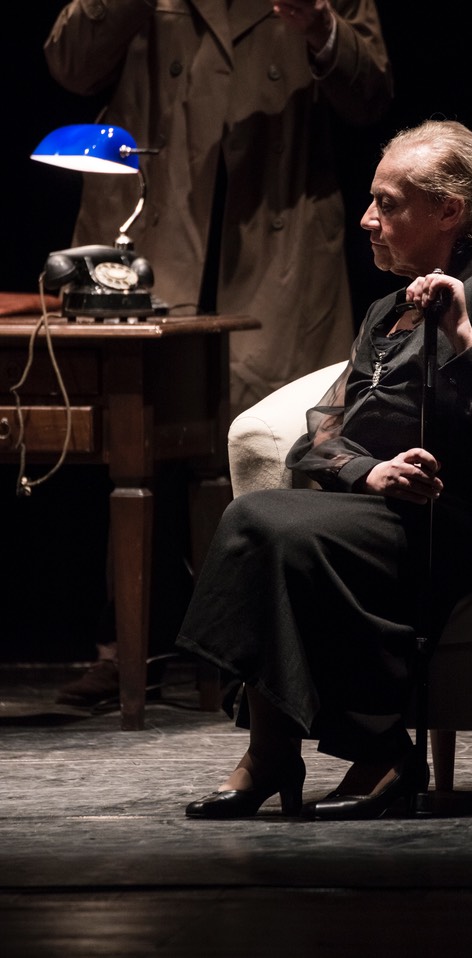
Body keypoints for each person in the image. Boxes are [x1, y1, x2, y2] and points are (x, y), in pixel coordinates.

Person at [175, 118, 472, 820]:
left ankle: (358, 753)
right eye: (372, 200)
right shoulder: (388, 311)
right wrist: (373, 472)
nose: (366, 219)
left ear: (449, 211)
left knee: (273, 526)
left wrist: (462, 336)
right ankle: (286, 752)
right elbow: (319, 437)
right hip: (395, 505)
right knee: (259, 521)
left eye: (388, 203)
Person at [43, 0, 392, 706]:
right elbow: (71, 63)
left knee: (275, 439)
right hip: (155, 224)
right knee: (136, 440)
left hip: (277, 235)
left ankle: (262, 652)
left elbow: (372, 95)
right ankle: (129, 647)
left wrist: (321, 28)